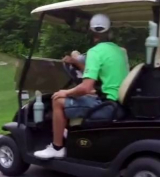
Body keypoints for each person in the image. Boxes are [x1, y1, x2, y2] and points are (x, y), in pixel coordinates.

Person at [34, 13, 129, 159]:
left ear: (91, 32)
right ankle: (67, 132)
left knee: (57, 100)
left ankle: (57, 147)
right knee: (80, 96)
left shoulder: (95, 52)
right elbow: (96, 79)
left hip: (107, 107)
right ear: (109, 32)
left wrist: (65, 92)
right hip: (119, 104)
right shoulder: (119, 51)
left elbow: (85, 87)